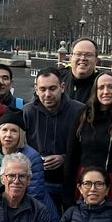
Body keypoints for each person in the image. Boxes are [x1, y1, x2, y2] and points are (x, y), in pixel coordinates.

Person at [67, 73, 112, 212]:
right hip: (85, 183)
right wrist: (68, 193)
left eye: (110, 87)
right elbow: (72, 155)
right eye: (101, 87)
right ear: (96, 91)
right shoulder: (83, 115)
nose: (106, 91)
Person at [23, 68, 85, 211]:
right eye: (42, 89)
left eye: (52, 89)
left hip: (72, 181)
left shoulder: (80, 111)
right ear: (36, 90)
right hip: (39, 182)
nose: (47, 94)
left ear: (62, 87)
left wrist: (64, 157)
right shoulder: (27, 112)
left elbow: (88, 146)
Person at [0, 111, 57, 222]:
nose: (8, 135)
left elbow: (35, 194)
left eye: (14, 131)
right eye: (4, 130)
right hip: (6, 207)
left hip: (34, 212)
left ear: (21, 135)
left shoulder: (32, 157)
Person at [59, 38, 100, 104]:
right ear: (70, 58)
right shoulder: (58, 78)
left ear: (96, 60)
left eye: (88, 55)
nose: (83, 58)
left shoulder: (102, 85)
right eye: (78, 54)